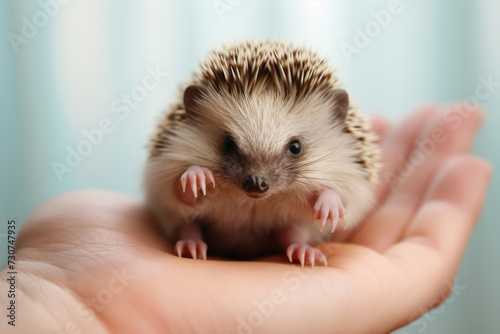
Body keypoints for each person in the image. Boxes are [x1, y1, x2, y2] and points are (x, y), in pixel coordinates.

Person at [0, 105, 492, 334]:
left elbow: (350, 190)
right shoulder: (189, 155)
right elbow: (166, 188)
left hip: (280, 229)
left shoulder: (333, 161)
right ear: (201, 121)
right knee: (187, 215)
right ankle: (196, 231)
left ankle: (292, 239)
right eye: (231, 148)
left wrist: (330, 200)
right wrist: (54, 298)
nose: (258, 180)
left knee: (294, 221)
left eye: (293, 150)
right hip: (207, 226)